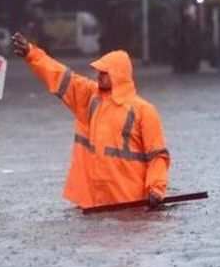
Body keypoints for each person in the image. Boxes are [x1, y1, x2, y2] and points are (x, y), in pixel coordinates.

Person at [12, 32, 170, 209]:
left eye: (104, 72)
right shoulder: (90, 97)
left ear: (118, 75)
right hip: (94, 203)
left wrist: (156, 189)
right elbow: (61, 76)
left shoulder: (144, 110)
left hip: (130, 203)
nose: (99, 75)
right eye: (99, 72)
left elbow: (157, 155)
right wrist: (31, 54)